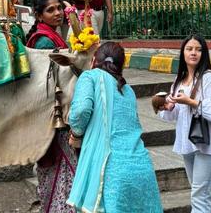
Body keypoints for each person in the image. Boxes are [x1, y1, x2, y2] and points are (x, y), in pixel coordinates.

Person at [66, 42, 162, 213]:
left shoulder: (90, 76)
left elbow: (80, 111)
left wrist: (76, 133)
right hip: (142, 168)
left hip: (110, 171)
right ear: (121, 66)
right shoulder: (128, 90)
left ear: (94, 59)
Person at [159, 34, 211, 213]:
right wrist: (167, 105)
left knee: (199, 195)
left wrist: (191, 101)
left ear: (204, 53)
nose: (193, 53)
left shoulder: (210, 78)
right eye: (189, 49)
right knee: (202, 194)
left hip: (208, 144)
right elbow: (174, 114)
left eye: (198, 49)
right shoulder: (179, 81)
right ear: (183, 53)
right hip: (189, 144)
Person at [24, 0, 76, 213]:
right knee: (60, 170)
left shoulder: (52, 35)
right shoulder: (44, 41)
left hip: (56, 113)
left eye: (59, 9)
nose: (58, 14)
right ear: (38, 15)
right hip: (53, 117)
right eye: (50, 10)